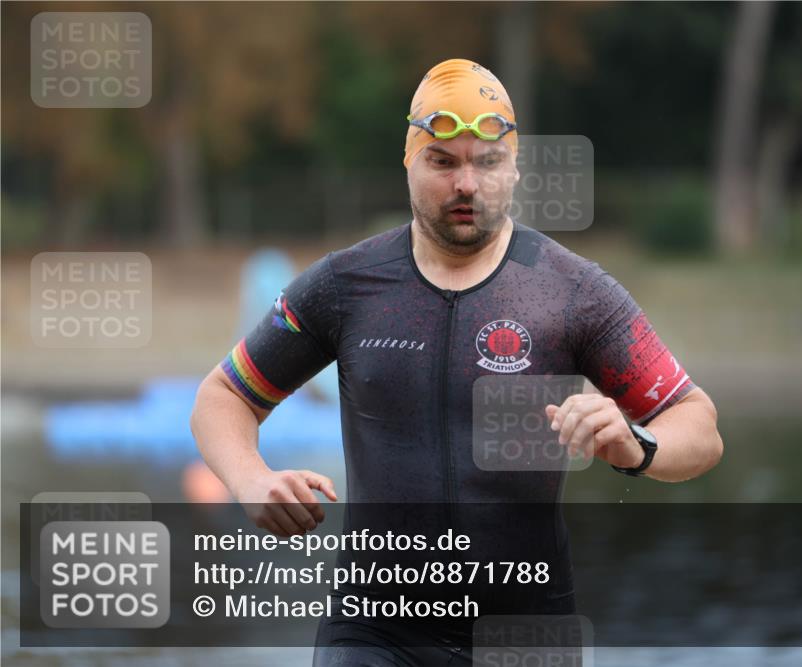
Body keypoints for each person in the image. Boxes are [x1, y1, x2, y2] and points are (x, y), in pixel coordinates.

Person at [190, 57, 723, 666]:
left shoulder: (572, 292)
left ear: (515, 168)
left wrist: (637, 444)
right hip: (373, 633)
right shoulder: (346, 285)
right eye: (443, 161)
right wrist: (250, 478)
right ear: (409, 162)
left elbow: (698, 424)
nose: (466, 183)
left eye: (487, 161)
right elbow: (222, 397)